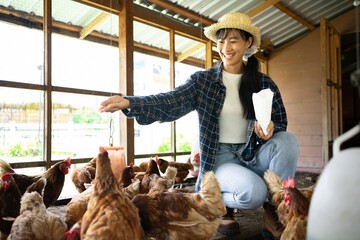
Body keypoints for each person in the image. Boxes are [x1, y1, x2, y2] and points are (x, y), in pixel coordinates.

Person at [99, 12, 299, 238]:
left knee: (288, 141)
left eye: (233, 40)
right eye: (221, 41)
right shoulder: (203, 82)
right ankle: (217, 203)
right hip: (220, 157)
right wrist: (130, 102)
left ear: (248, 42)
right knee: (254, 192)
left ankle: (274, 209)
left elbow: (280, 120)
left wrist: (270, 128)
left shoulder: (263, 82)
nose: (226, 47)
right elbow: (170, 101)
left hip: (252, 152)